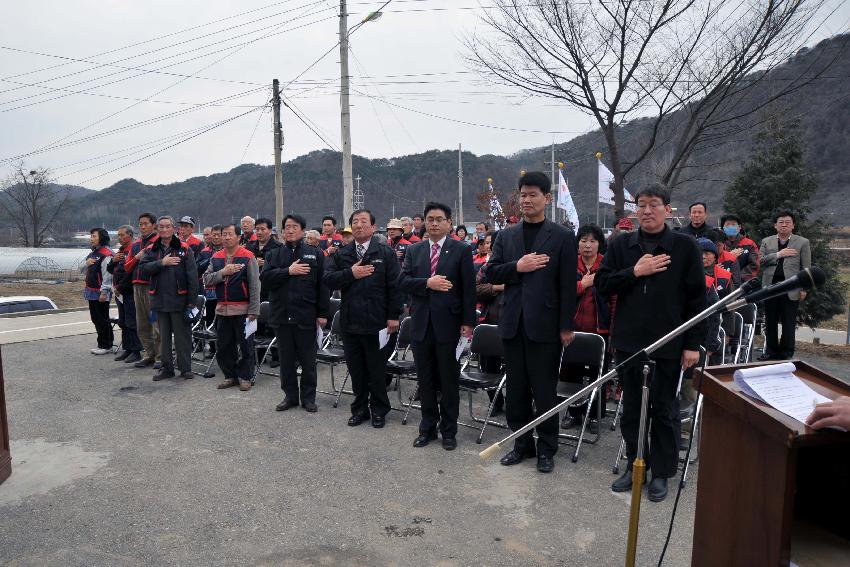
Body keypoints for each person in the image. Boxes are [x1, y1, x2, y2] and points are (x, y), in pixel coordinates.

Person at [597, 182, 706, 502]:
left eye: (654, 204)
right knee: (631, 409)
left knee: (664, 409)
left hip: (670, 343)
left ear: (668, 210)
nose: (646, 210)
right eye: (641, 204)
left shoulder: (684, 247)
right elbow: (603, 285)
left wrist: (692, 345)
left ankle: (661, 472)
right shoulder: (621, 245)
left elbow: (697, 300)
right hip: (629, 342)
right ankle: (635, 465)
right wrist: (636, 270)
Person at [485, 171, 577, 473]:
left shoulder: (562, 237)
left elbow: (567, 284)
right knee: (517, 390)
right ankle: (521, 444)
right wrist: (518, 266)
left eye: (533, 194)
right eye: (522, 194)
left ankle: (547, 448)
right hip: (512, 323)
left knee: (544, 389)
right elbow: (492, 272)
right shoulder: (506, 235)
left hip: (546, 326)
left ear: (547, 199)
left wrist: (566, 326)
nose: (526, 199)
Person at [399, 202, 476, 451]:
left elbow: (468, 290)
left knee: (448, 381)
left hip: (449, 325)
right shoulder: (415, 250)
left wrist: (468, 323)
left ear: (448, 223)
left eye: (438, 219)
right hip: (421, 324)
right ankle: (427, 428)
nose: (433, 223)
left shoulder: (461, 250)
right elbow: (404, 281)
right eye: (429, 219)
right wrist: (427, 283)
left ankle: (449, 431)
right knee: (426, 380)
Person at [324, 209, 404, 428]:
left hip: (378, 322)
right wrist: (350, 273)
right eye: (355, 222)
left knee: (377, 370)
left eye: (363, 222)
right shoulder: (342, 254)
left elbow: (395, 286)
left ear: (372, 227)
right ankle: (359, 409)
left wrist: (393, 316)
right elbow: (328, 280)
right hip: (351, 322)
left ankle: (379, 410)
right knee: (356, 370)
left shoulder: (385, 252)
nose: (359, 225)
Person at [261, 214, 329, 411]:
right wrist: (287, 271)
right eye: (286, 227)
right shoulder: (274, 255)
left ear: (302, 230)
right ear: (282, 232)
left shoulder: (315, 254)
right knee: (286, 361)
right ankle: (290, 397)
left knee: (308, 360)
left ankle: (308, 398)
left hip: (306, 314)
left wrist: (323, 313)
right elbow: (265, 279)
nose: (290, 230)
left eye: (294, 226)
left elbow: (322, 286)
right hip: (281, 315)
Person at [560, 224, 615, 434]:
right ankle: (573, 412)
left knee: (597, 376)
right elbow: (561, 293)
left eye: (592, 241)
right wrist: (582, 284)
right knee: (569, 372)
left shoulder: (608, 266)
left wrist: (613, 331)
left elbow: (615, 299)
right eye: (583, 240)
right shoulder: (568, 265)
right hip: (571, 331)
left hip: (599, 331)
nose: (587, 245)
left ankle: (594, 416)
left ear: (600, 244)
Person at [139, 216, 199, 381]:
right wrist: (161, 263)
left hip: (180, 300)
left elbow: (192, 278)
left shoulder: (185, 248)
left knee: (183, 338)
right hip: (159, 300)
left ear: (174, 228)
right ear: (157, 229)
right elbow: (142, 269)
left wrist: (191, 302)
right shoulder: (151, 249)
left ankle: (185, 369)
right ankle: (167, 369)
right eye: (161, 227)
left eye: (167, 226)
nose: (164, 230)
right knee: (163, 338)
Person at [203, 223, 260, 391]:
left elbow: (255, 285)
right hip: (222, 309)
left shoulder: (248, 256)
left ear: (238, 236)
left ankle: (245, 377)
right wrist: (223, 272)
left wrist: (254, 310)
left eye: (230, 234)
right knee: (224, 346)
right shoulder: (216, 257)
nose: (226, 237)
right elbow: (206, 279)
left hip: (243, 309)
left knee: (246, 346)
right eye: (224, 234)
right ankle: (230, 375)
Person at [758, 211, 811, 361]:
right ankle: (770, 351)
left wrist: (805, 288)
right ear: (775, 225)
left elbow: (806, 267)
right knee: (770, 320)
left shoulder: (802, 242)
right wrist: (778, 254)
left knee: (789, 321)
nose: (784, 224)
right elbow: (760, 261)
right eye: (781, 222)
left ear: (793, 225)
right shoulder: (766, 241)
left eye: (788, 222)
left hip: (791, 286)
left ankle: (787, 352)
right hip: (771, 286)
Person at [123, 213, 160, 368]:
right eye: (140, 224)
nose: (143, 227)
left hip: (152, 286)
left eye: (146, 223)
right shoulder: (136, 244)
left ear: (153, 225)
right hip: (136, 286)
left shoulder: (158, 242)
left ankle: (160, 356)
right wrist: (137, 257)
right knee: (142, 323)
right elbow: (127, 266)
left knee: (156, 323)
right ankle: (148, 353)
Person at [107, 225, 142, 364]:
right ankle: (127, 348)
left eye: (122, 235)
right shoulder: (120, 251)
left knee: (132, 321)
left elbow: (131, 272)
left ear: (130, 235)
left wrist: (120, 287)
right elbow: (111, 270)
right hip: (119, 292)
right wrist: (113, 260)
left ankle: (136, 350)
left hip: (128, 290)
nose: (120, 238)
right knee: (123, 321)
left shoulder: (134, 249)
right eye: (118, 235)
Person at [84, 228, 114, 355]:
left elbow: (108, 274)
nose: (91, 238)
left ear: (101, 237)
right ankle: (101, 343)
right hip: (91, 290)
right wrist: (87, 263)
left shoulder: (106, 253)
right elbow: (83, 270)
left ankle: (106, 345)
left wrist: (104, 291)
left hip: (101, 291)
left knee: (102, 318)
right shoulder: (93, 253)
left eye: (94, 236)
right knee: (95, 318)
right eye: (91, 236)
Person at [720, 214, 759, 282]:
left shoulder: (749, 243)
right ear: (723, 228)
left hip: (744, 283)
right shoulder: (719, 244)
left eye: (733, 224)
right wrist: (729, 256)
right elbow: (715, 264)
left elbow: (754, 265)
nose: (730, 227)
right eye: (727, 225)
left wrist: (737, 277)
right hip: (723, 282)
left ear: (739, 227)